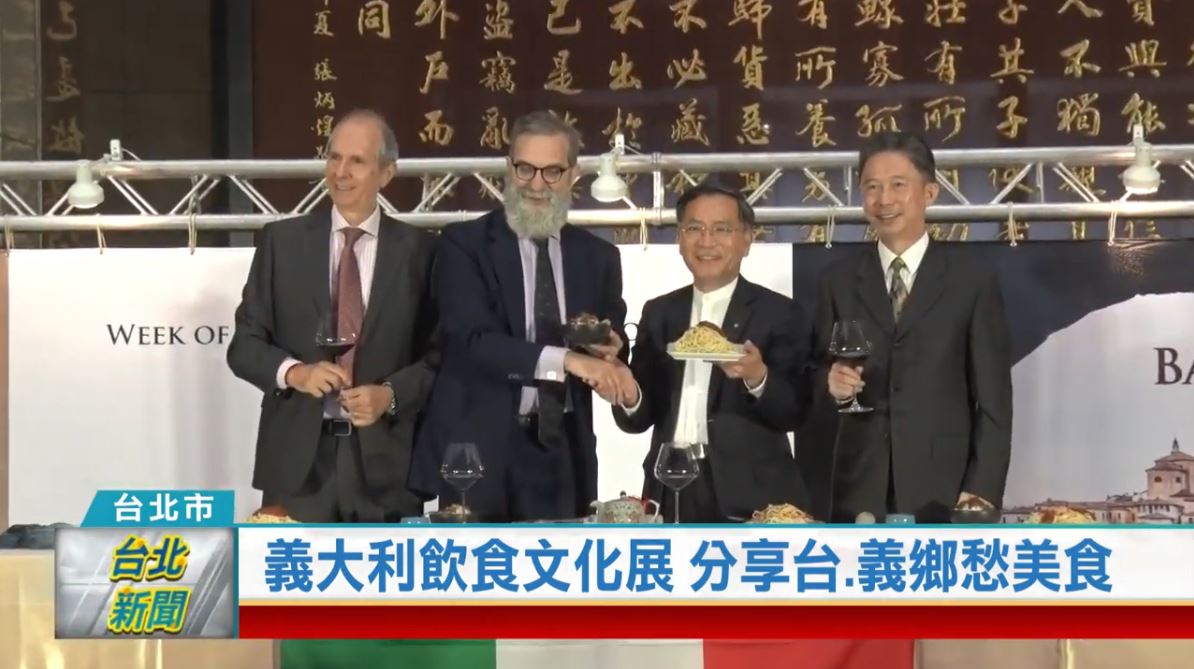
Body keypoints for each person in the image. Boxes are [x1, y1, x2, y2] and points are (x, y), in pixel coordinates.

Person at [410, 110, 628, 522]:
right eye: (525, 168)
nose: (536, 184)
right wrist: (568, 360)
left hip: (565, 451)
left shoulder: (598, 257)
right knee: (478, 564)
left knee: (560, 563)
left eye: (552, 171)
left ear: (574, 175)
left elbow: (609, 337)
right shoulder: (464, 245)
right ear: (508, 169)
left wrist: (611, 348)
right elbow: (470, 340)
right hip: (478, 451)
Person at [227, 109, 438, 523]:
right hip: (297, 468)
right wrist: (295, 373)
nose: (341, 172)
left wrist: (390, 395)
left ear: (386, 173)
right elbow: (244, 346)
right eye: (334, 157)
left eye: (357, 161)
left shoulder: (422, 252)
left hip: (388, 467)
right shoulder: (281, 243)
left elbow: (440, 356)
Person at [798, 131, 1012, 523]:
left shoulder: (972, 281)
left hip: (943, 489)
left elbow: (994, 401)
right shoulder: (838, 281)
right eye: (872, 187)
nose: (884, 200)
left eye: (898, 185)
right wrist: (830, 383)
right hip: (858, 487)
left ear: (929, 193)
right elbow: (813, 373)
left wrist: (981, 490)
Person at [611, 183, 813, 523]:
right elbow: (640, 417)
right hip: (670, 485)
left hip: (751, 494)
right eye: (694, 229)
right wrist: (628, 394)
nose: (706, 241)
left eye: (722, 229)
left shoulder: (780, 313)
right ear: (679, 239)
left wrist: (757, 377)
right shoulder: (659, 313)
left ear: (746, 239)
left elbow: (796, 410)